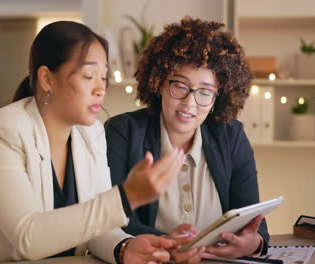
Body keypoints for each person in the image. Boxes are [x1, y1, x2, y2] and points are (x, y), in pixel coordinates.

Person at [0, 21, 186, 264]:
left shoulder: (92, 133)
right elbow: (28, 237)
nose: (100, 89)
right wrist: (126, 196)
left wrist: (124, 248)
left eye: (104, 77)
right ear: (47, 79)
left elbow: (95, 227)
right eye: (88, 76)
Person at [105, 17, 269, 263]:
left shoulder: (231, 136)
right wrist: (169, 242)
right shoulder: (123, 132)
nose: (190, 103)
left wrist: (253, 244)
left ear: (217, 98)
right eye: (180, 86)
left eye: (205, 92)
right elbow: (111, 221)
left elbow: (254, 223)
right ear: (159, 82)